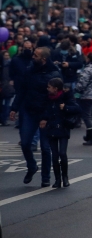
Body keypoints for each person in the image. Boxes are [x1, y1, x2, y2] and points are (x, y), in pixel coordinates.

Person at [12, 46, 62, 187]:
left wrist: (46, 117)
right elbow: (22, 90)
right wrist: (14, 107)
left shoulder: (54, 74)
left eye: (36, 55)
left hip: (46, 114)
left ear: (44, 59)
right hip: (29, 111)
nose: (33, 57)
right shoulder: (30, 69)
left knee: (46, 147)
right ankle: (32, 166)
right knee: (26, 143)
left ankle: (45, 177)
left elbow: (55, 98)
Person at [39, 77, 80, 188]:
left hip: (63, 128)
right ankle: (58, 179)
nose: (47, 89)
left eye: (49, 87)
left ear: (55, 88)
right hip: (52, 129)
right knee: (55, 155)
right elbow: (45, 111)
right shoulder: (47, 98)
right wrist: (44, 119)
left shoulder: (66, 97)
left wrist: (65, 108)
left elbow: (77, 109)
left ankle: (65, 178)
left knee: (62, 153)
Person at [76, 52, 92, 146]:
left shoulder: (88, 69)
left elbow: (83, 83)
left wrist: (77, 89)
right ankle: (88, 136)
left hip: (87, 95)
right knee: (89, 115)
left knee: (86, 116)